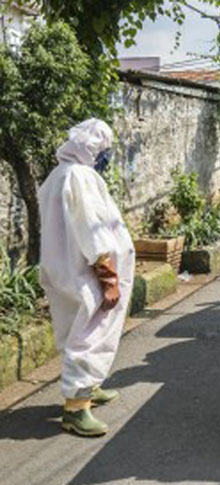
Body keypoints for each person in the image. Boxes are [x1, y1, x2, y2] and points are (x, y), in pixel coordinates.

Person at [38, 118, 135, 437]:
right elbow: (90, 229)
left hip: (65, 270)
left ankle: (88, 388)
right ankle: (76, 408)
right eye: (105, 150)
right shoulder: (81, 177)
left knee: (75, 329)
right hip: (87, 273)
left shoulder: (58, 175)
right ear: (93, 148)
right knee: (89, 335)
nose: (107, 157)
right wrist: (108, 277)